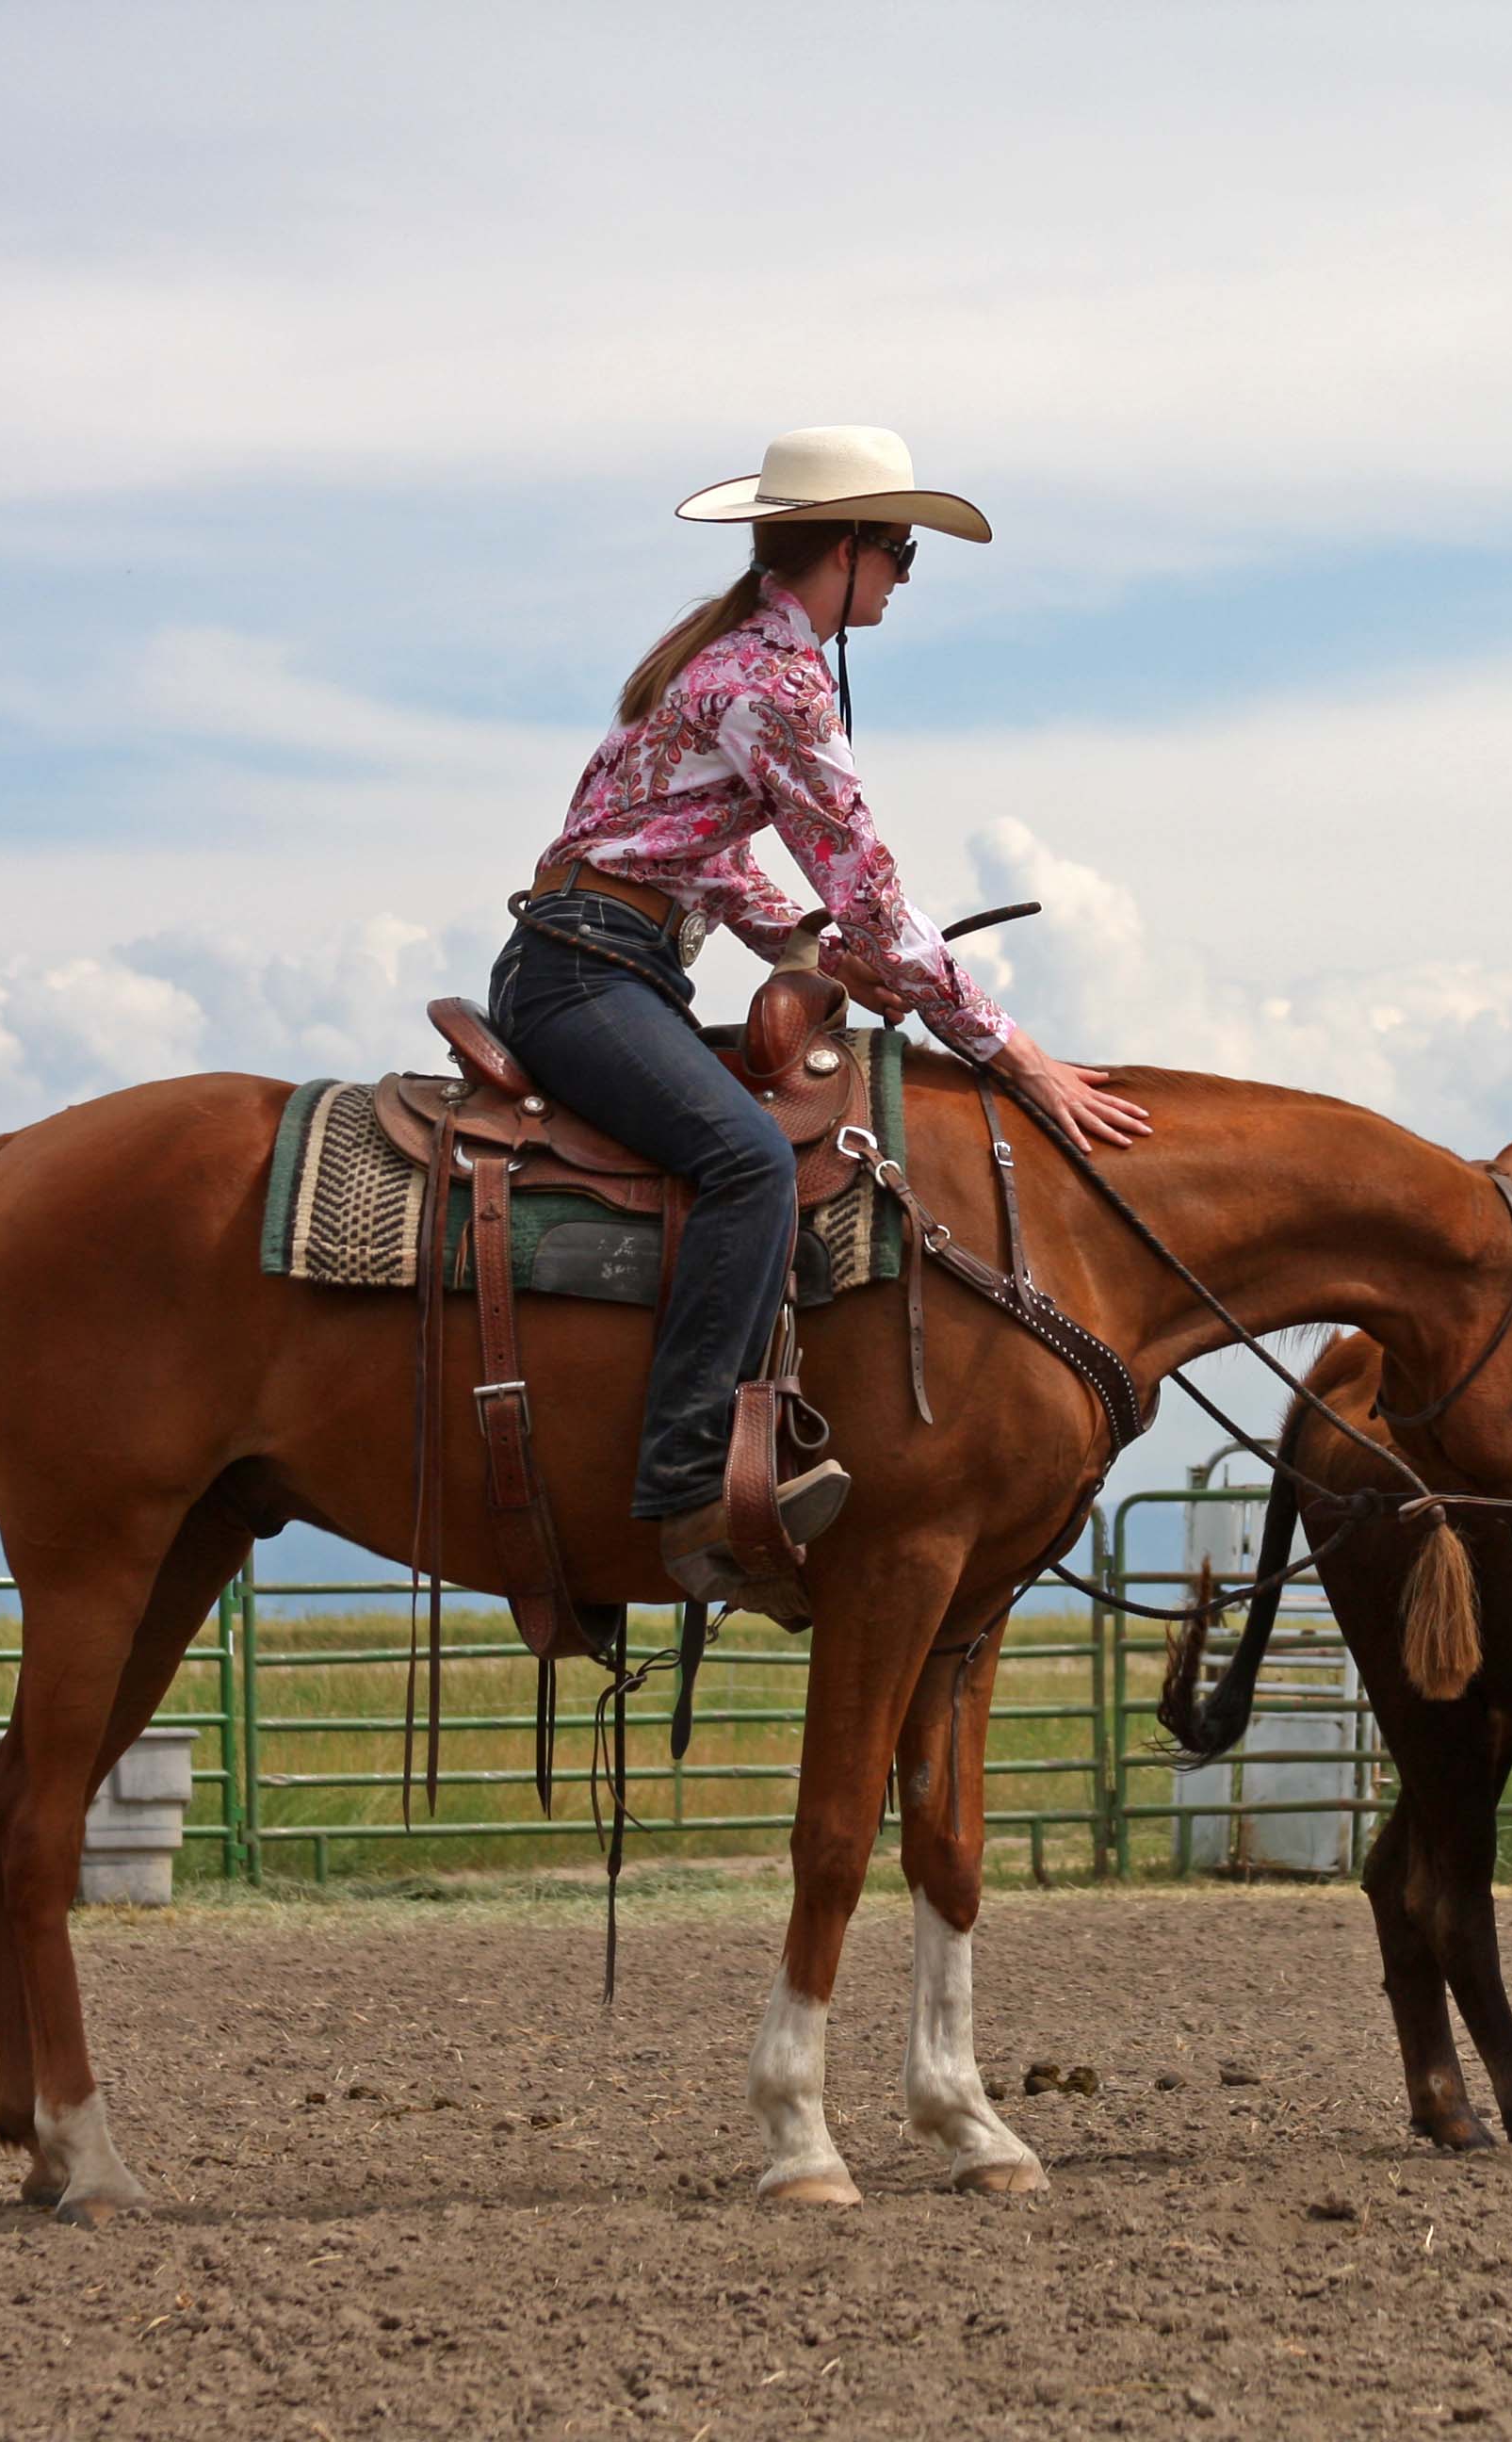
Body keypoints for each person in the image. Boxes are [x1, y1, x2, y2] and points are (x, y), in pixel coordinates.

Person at [491, 426, 1151, 1610]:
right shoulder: (777, 685)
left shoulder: (718, 661)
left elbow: (698, 862)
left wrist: (812, 942)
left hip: (601, 957)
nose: (905, 573)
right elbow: (880, 899)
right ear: (843, 550)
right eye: (899, 549)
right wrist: (1020, 1054)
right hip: (590, 973)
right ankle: (690, 1481)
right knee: (748, 1163)